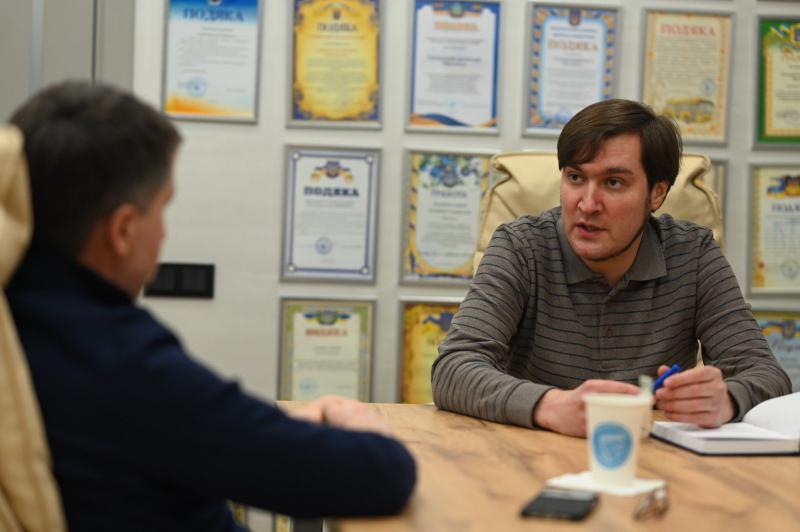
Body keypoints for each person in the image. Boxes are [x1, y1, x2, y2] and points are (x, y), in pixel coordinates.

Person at [6, 81, 415, 531]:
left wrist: (272, 429)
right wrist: (361, 425)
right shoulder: (121, 362)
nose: (164, 234)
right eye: (162, 209)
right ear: (123, 230)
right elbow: (382, 475)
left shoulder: (20, 320)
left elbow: (206, 433)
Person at [431, 99, 791, 437]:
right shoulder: (520, 246)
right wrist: (551, 405)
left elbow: (767, 375)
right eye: (575, 178)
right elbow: (453, 368)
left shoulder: (693, 254)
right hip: (534, 452)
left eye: (613, 183)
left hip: (651, 457)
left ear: (657, 194)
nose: (587, 204)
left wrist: (725, 399)